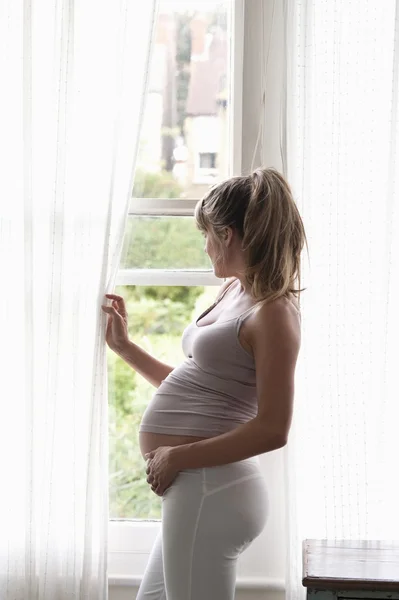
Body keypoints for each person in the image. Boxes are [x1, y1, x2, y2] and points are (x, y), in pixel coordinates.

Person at [101, 167, 306, 600]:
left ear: (227, 234)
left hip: (211, 487)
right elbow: (200, 388)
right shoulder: (234, 292)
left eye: (208, 234)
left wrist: (177, 455)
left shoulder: (274, 312)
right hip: (198, 488)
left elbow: (274, 427)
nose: (205, 246)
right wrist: (125, 347)